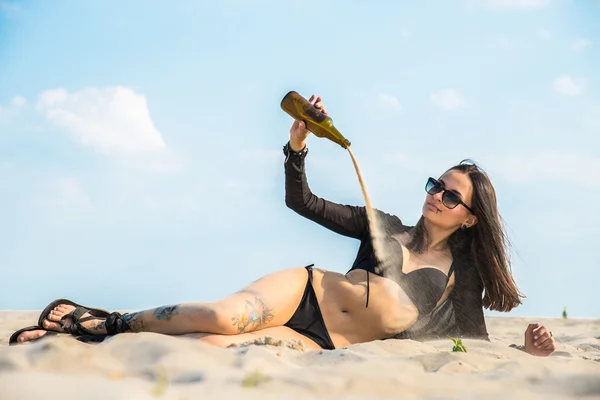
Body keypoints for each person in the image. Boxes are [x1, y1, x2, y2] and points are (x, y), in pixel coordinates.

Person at [10, 95, 556, 357]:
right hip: (305, 292)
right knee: (222, 316)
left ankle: (78, 340)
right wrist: (298, 146)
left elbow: (468, 344)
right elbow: (304, 203)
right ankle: (99, 321)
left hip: (321, 343)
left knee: (209, 347)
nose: (436, 195)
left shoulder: (460, 276)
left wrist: (527, 354)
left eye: (450, 194)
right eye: (435, 183)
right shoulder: (383, 225)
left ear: (471, 216)